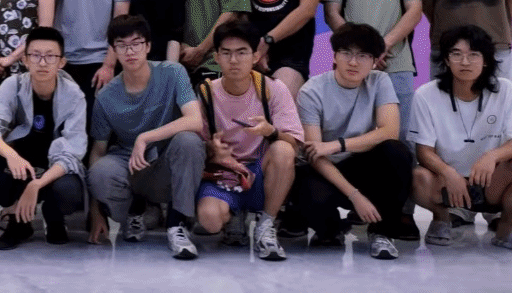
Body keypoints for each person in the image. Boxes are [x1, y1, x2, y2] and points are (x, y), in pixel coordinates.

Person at [324, 0, 427, 240]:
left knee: (400, 142)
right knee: (357, 138)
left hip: (396, 66)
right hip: (352, 69)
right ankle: (363, 205)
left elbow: (415, 10)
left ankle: (401, 214)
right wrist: (361, 50)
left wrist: (382, 45)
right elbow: (332, 13)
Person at [410, 25, 512, 255]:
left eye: (473, 55)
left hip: (491, 181)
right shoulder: (426, 94)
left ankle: (505, 230)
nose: (465, 62)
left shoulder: (504, 90)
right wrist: (448, 172)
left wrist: (491, 157)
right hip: (447, 184)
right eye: (456, 54)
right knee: (416, 176)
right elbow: (423, 151)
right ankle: (441, 218)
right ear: (446, 60)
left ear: (486, 61)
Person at [86, 15, 205, 258]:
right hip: (131, 165)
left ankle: (177, 223)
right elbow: (98, 151)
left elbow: (195, 120)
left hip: (166, 162)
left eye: (136, 43)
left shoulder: (173, 73)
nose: (130, 51)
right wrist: (96, 211)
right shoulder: (106, 97)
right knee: (99, 173)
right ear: (114, 51)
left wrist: (145, 137)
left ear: (148, 46)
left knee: (189, 141)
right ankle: (135, 209)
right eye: (122, 45)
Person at [291, 23, 412, 260]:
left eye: (363, 56)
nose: (354, 62)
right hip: (326, 169)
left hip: (361, 163)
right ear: (334, 56)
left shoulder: (379, 81)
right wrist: (355, 196)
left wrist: (338, 144)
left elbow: (390, 131)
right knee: (308, 194)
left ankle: (382, 232)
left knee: (397, 152)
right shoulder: (311, 91)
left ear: (375, 61)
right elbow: (315, 154)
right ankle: (331, 229)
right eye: (346, 53)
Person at [193, 21, 301, 261]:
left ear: (255, 56)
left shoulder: (273, 89)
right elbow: (196, 145)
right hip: (223, 173)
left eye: (241, 52)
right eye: (226, 53)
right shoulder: (206, 93)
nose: (233, 60)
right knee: (210, 221)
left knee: (283, 150)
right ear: (216, 57)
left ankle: (266, 224)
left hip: (260, 172)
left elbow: (294, 142)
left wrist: (270, 131)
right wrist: (213, 151)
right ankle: (234, 216)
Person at [0, 26, 86, 249]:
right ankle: (19, 220)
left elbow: (73, 152)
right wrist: (10, 155)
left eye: (50, 56)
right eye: (36, 55)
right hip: (21, 162)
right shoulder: (12, 85)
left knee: (69, 190)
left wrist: (37, 185)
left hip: (53, 167)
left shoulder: (74, 95)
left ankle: (54, 216)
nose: (42, 63)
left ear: (61, 62)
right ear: (25, 60)